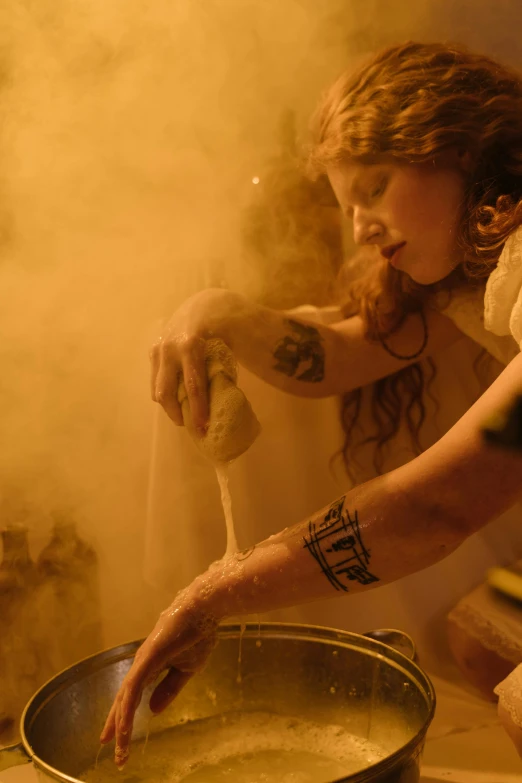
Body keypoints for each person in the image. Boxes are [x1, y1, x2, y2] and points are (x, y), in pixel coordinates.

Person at [101, 41, 522, 765]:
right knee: (476, 639)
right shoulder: (471, 266)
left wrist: (218, 592)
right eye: (346, 204)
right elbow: (341, 356)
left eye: (376, 188)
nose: (359, 227)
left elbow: (436, 508)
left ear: (453, 145)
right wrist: (216, 308)